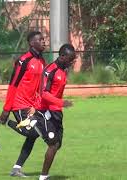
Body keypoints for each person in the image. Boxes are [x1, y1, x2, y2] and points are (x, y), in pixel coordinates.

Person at [18, 44, 76, 180]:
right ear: (62, 56)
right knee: (53, 143)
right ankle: (43, 177)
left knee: (57, 145)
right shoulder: (50, 70)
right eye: (70, 59)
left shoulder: (63, 70)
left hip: (56, 112)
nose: (71, 62)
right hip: (44, 112)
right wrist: (62, 102)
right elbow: (44, 93)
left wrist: (59, 106)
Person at [0, 31, 46, 177]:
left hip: (31, 105)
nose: (44, 41)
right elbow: (13, 85)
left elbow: (40, 87)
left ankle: (16, 169)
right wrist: (6, 110)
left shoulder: (42, 61)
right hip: (19, 103)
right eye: (40, 40)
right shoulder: (23, 61)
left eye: (44, 39)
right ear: (31, 43)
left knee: (33, 135)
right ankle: (6, 121)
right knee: (33, 132)